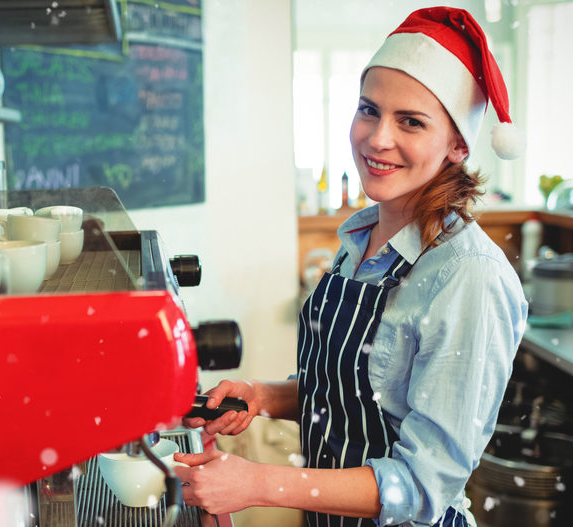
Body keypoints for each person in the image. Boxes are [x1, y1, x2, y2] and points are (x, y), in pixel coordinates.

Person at [173, 6, 528, 527]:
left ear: (457, 145)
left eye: (410, 121)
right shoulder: (358, 238)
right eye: (369, 110)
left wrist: (256, 483)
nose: (377, 138)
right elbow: (361, 391)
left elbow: (423, 485)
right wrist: (265, 396)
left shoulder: (467, 275)